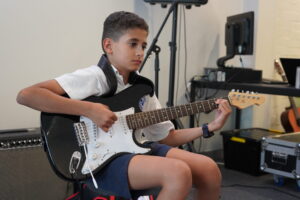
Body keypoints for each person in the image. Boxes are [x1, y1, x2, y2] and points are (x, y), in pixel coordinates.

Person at [17, 11, 232, 200]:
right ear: (108, 45)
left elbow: (166, 136)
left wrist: (208, 128)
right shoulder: (94, 77)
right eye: (133, 44)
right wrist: (88, 109)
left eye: (143, 46)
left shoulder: (142, 88)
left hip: (136, 147)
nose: (140, 52)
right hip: (100, 160)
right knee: (178, 172)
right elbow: (27, 95)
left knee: (209, 168)